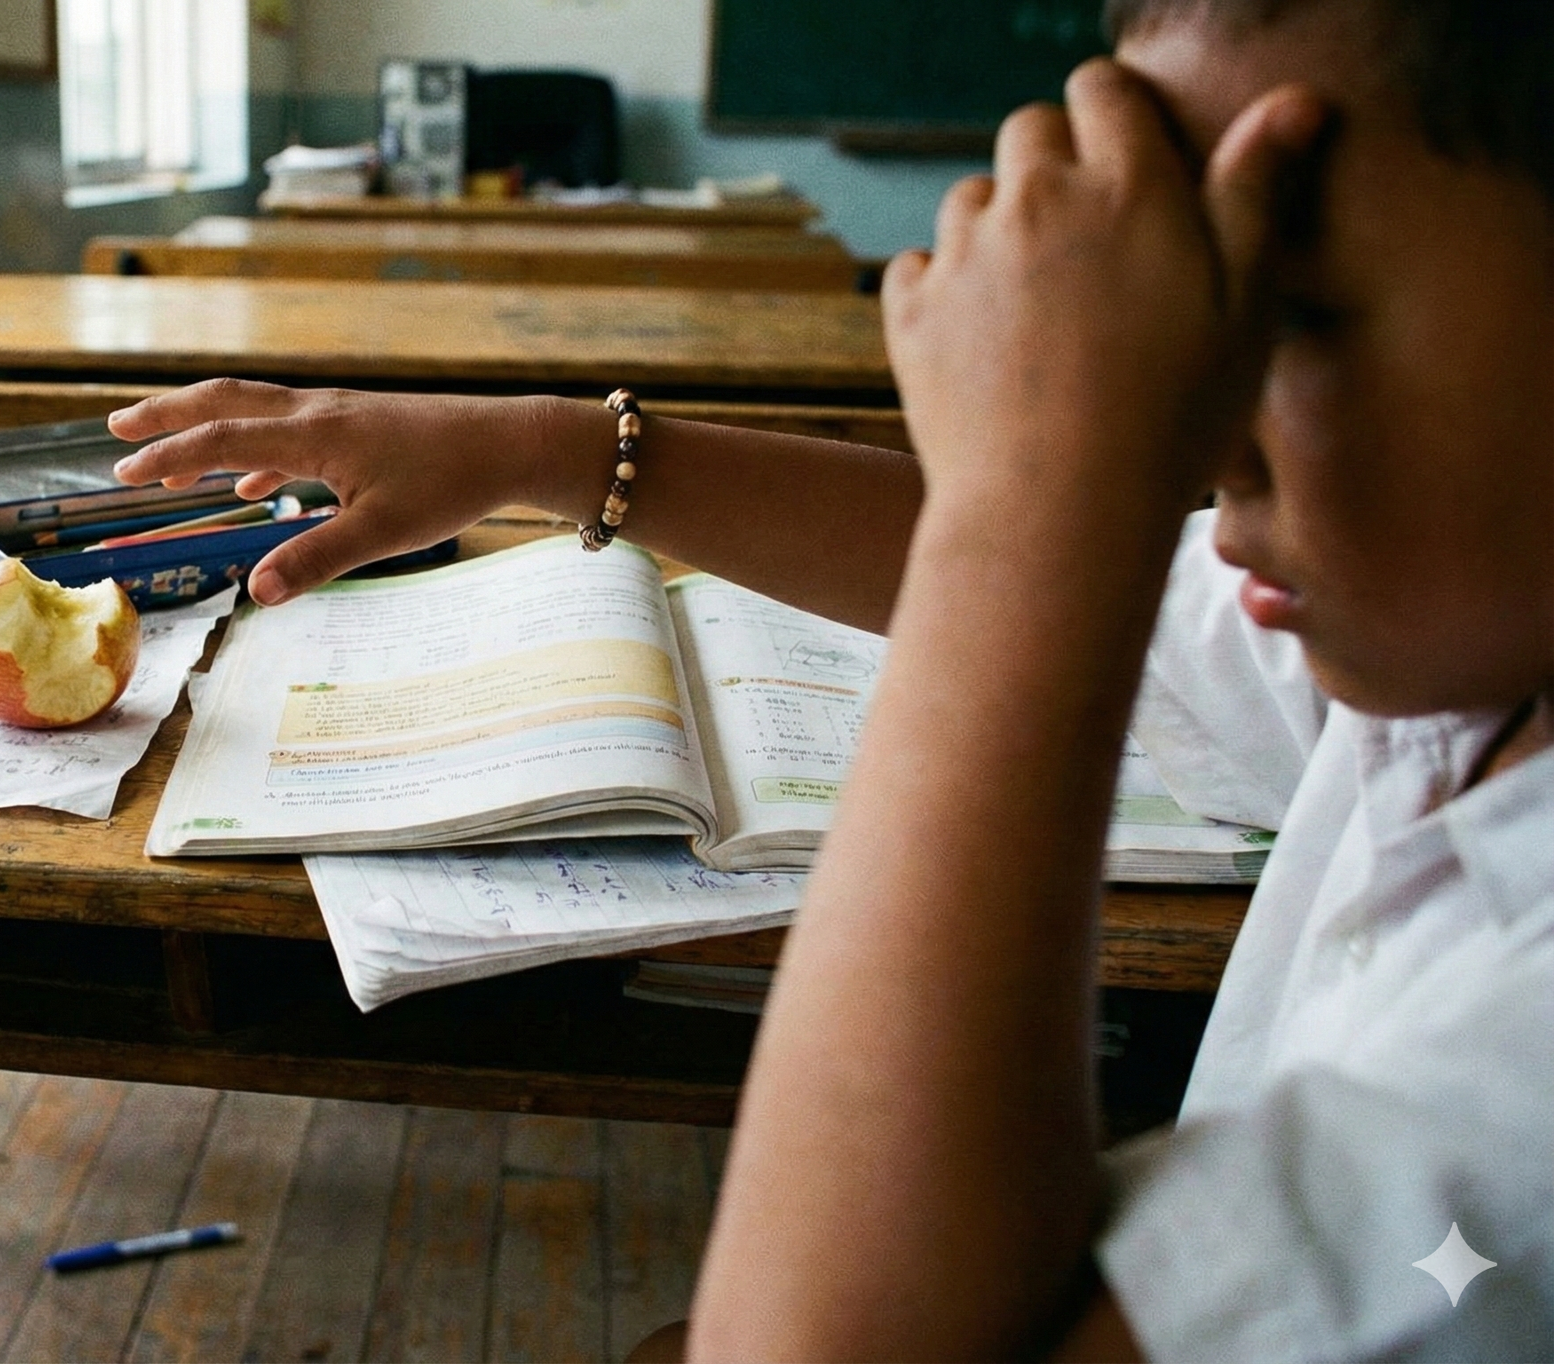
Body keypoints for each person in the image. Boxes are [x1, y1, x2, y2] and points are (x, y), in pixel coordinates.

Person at [106, 0, 1554, 1356]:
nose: (1194, 439)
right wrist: (536, 449)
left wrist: (1044, 511)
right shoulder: (1460, 650)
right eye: (1190, 320)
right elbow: (957, 554)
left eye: (1285, 318)